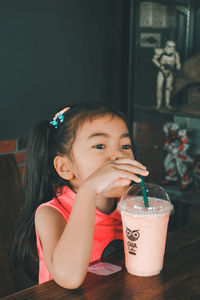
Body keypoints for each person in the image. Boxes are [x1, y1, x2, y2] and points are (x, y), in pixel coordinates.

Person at [13, 102, 149, 289]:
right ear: (65, 167)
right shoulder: (51, 214)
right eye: (100, 145)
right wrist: (88, 190)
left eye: (125, 146)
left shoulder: (131, 207)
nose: (118, 155)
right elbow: (69, 278)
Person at [152, 40, 181, 110]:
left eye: (173, 47)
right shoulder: (161, 52)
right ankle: (158, 104)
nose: (171, 48)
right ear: (166, 46)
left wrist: (178, 68)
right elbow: (154, 59)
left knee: (168, 88)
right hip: (161, 71)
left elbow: (178, 62)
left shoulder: (175, 54)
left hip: (170, 72)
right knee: (159, 87)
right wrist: (160, 66)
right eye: (170, 47)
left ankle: (167, 104)